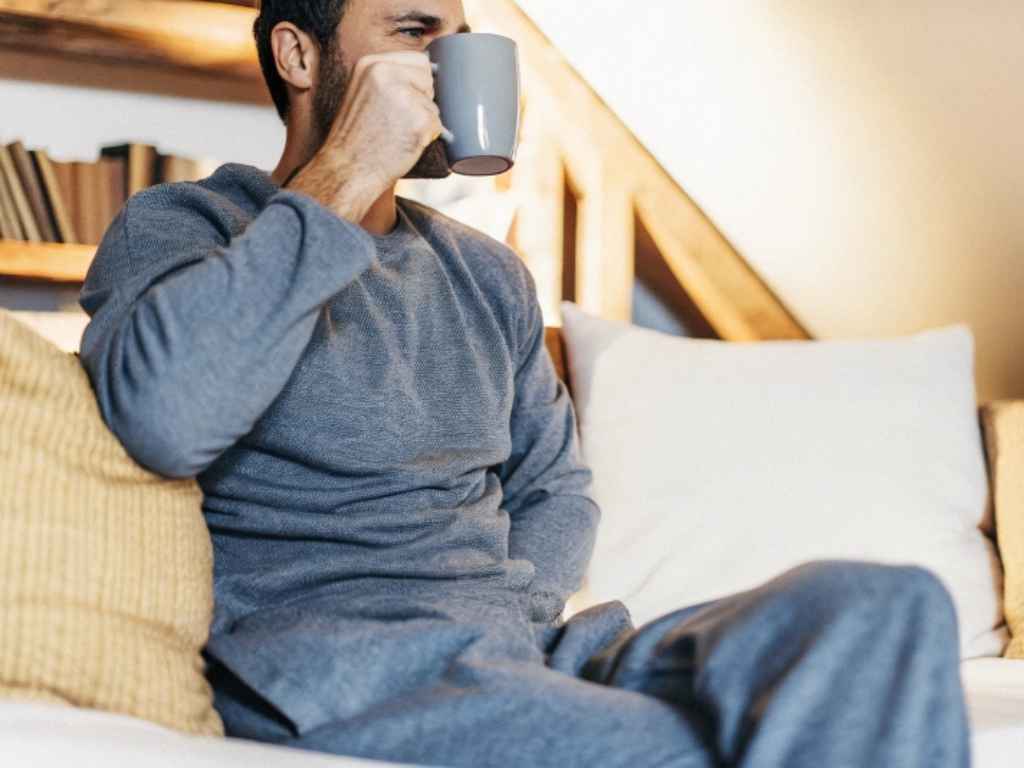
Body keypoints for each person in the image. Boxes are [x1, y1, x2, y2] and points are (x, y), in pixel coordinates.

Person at [77, 1, 971, 766]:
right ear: (299, 55)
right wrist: (350, 168)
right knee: (697, 748)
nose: (444, 59)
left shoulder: (485, 272)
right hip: (340, 668)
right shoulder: (186, 227)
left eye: (459, 35)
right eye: (415, 30)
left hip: (530, 649)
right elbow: (164, 417)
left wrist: (511, 618)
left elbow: (557, 491)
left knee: (886, 609)